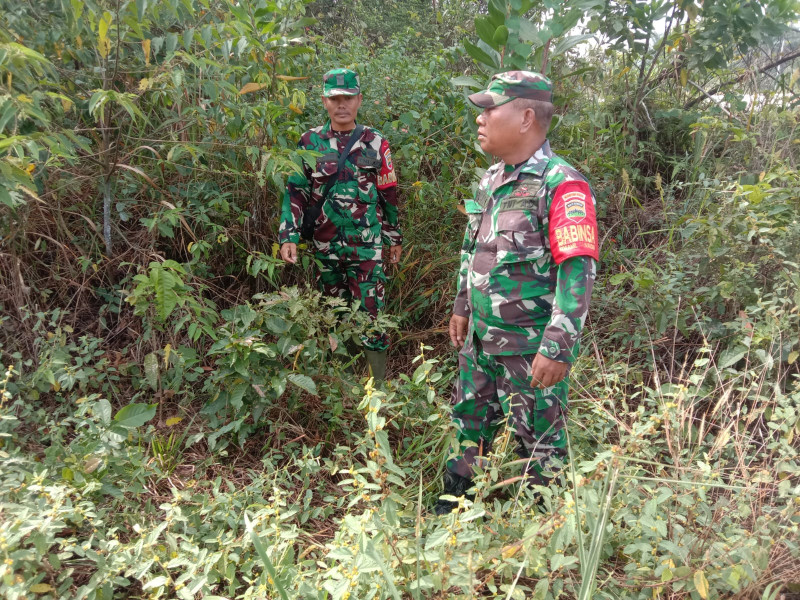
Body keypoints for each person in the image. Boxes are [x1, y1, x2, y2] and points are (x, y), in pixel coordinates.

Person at [434, 71, 599, 515]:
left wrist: (558, 346)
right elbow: (475, 245)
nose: (480, 119)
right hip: (481, 339)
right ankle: (456, 509)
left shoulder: (562, 184)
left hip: (529, 349)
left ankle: (545, 530)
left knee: (539, 441)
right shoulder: (491, 179)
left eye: (490, 109)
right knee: (468, 421)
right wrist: (462, 305)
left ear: (526, 117)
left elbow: (577, 272)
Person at [278, 68, 402, 380]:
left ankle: (377, 387)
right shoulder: (310, 141)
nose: (341, 104)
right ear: (324, 101)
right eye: (335, 98)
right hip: (324, 244)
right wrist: (288, 234)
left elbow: (388, 193)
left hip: (367, 247)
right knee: (331, 311)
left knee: (372, 313)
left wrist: (394, 236)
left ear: (359, 99)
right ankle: (340, 381)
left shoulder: (376, 143)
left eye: (348, 97)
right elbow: (296, 190)